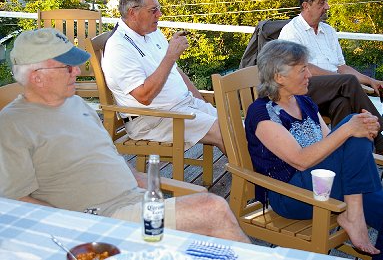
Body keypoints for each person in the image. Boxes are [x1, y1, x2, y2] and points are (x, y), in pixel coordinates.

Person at [0, 28, 250, 243]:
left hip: (136, 203)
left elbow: (111, 161)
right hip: (99, 221)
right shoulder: (13, 125)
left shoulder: (77, 105)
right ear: (37, 77)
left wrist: (153, 189)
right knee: (213, 210)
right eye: (67, 67)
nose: (77, 71)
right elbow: (16, 200)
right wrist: (76, 227)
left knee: (205, 214)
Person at [245, 39, 383, 259]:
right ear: (279, 77)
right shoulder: (261, 113)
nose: (309, 74)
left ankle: (354, 211)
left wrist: (359, 128)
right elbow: (300, 160)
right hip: (292, 195)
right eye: (302, 69)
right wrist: (351, 129)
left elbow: (332, 143)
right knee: (353, 123)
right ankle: (354, 214)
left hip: (328, 184)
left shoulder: (304, 102)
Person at [278, 0, 383, 160]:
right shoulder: (291, 32)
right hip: (301, 90)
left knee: (342, 102)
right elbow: (305, 69)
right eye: (321, 3)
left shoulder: (328, 31)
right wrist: (341, 80)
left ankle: (339, 156)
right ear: (306, 5)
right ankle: (381, 143)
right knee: (347, 81)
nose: (327, 7)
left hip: (329, 92)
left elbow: (341, 67)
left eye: (327, 2)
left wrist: (369, 80)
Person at [102, 0, 225, 154]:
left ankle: (259, 174)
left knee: (237, 126)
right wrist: (170, 56)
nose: (159, 15)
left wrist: (201, 102)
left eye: (158, 9)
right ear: (132, 13)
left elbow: (176, 72)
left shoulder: (152, 32)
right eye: (153, 10)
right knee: (224, 132)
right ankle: (253, 178)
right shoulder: (119, 47)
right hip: (152, 119)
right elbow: (144, 96)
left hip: (183, 106)